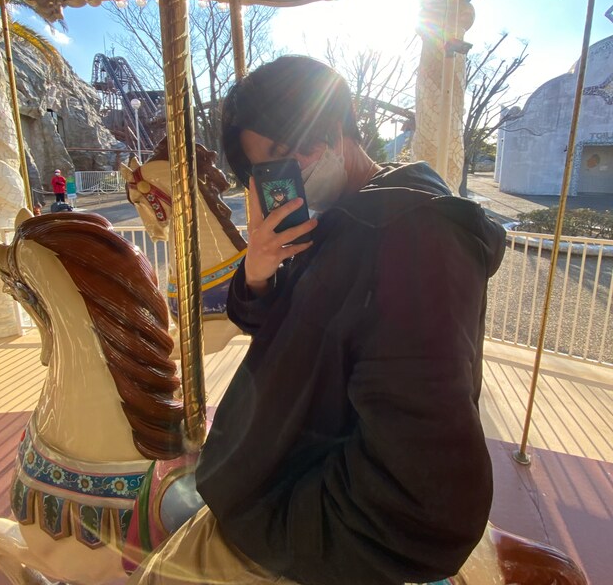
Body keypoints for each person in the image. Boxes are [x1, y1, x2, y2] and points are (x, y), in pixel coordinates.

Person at [129, 56, 506, 585]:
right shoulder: (344, 217)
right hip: (288, 466)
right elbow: (284, 324)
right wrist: (258, 270)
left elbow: (420, 483)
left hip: (323, 512)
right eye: (265, 167)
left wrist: (280, 514)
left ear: (335, 125)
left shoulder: (412, 238)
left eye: (288, 149)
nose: (285, 173)